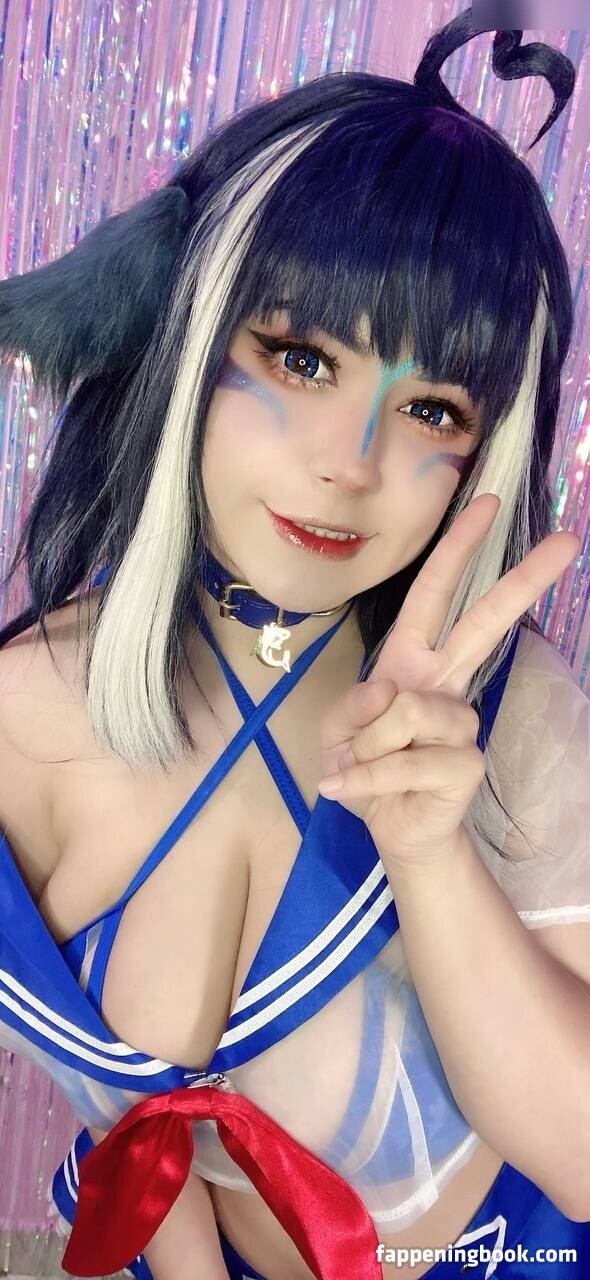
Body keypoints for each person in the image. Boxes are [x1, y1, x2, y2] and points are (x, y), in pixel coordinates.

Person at [0, 6, 589, 1278]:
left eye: (430, 408)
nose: (349, 465)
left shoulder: (507, 715)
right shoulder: (21, 713)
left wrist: (425, 849)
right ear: (188, 329)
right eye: (301, 357)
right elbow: (138, 1122)